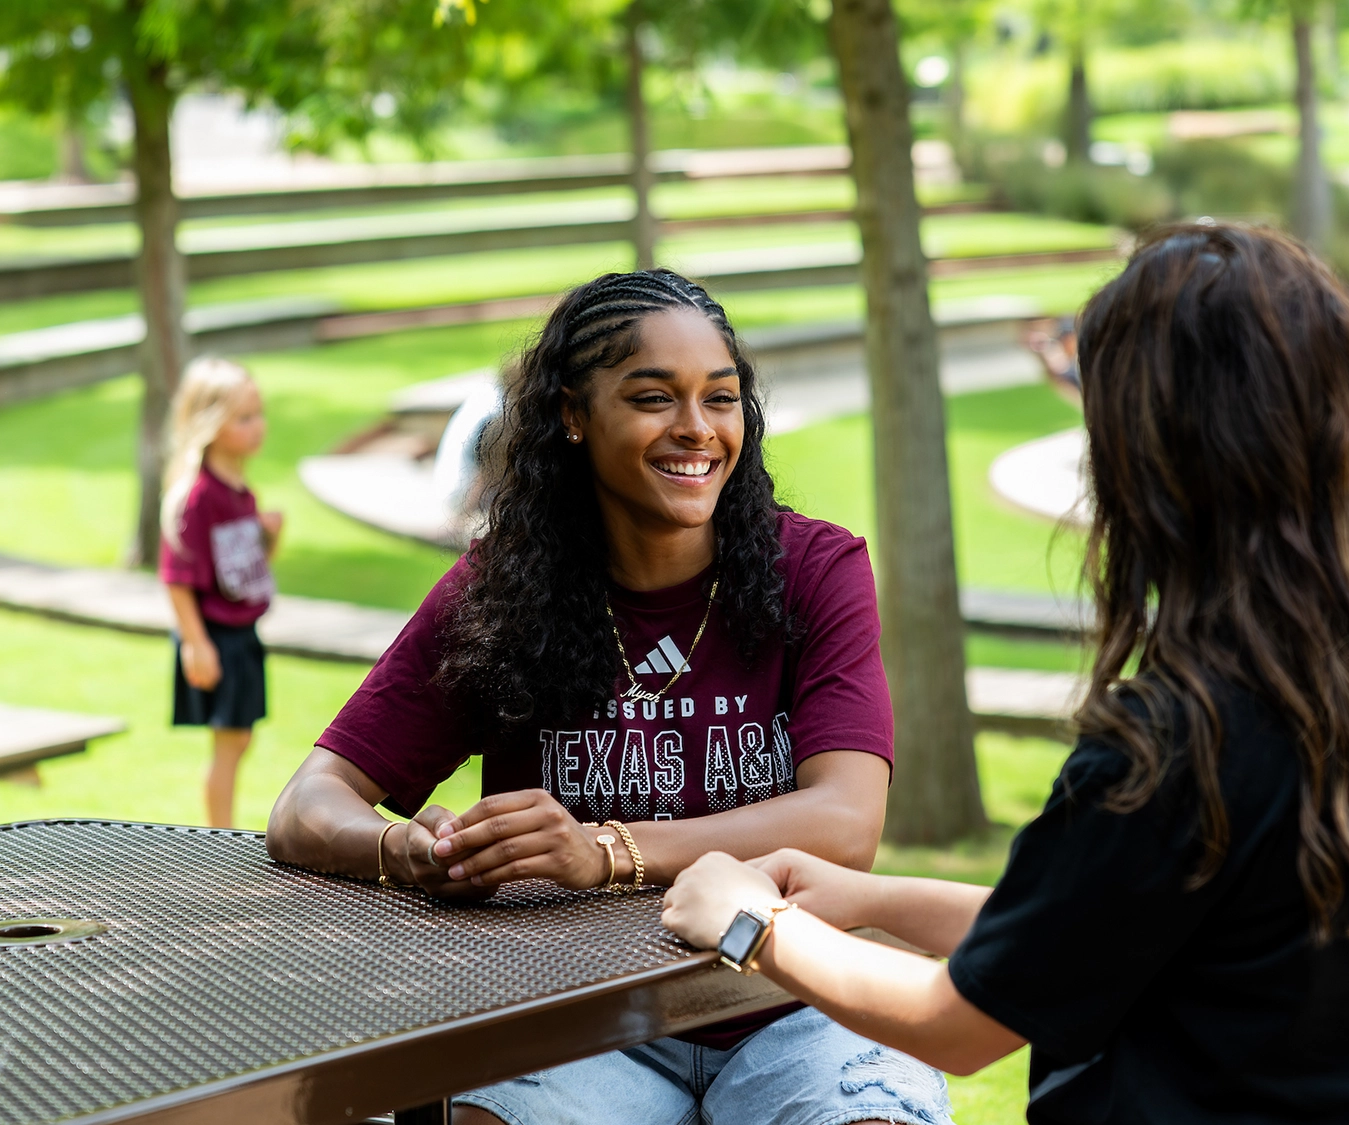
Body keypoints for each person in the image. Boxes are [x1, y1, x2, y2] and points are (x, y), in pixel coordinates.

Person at [663, 223, 1349, 1125]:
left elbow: (956, 1025)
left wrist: (753, 924)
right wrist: (870, 898)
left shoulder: (1179, 746)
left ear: (1167, 463)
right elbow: (1104, 926)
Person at [266, 269, 952, 1125]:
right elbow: (307, 804)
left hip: (793, 1004)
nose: (697, 429)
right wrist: (401, 846)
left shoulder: (815, 570)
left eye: (722, 398)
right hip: (579, 1026)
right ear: (572, 414)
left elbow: (845, 822)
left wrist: (604, 850)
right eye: (655, 397)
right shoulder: (496, 596)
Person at [160, 355, 282, 829]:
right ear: (210, 424)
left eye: (259, 413)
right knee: (230, 744)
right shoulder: (199, 496)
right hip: (216, 636)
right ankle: (220, 836)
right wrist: (195, 643)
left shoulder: (240, 492)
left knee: (239, 741)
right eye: (244, 418)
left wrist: (268, 536)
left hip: (242, 634)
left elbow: (244, 572)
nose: (258, 427)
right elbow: (176, 576)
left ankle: (221, 829)